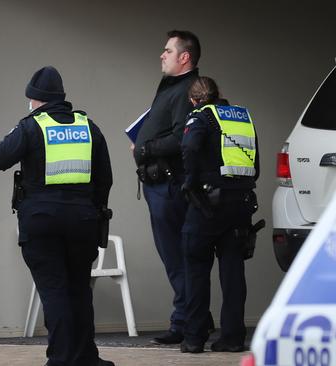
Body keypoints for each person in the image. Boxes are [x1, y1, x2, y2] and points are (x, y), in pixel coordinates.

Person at [0, 66, 114, 366]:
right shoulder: (88, 127)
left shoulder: (32, 126)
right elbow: (105, 179)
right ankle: (86, 357)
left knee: (55, 291)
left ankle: (60, 360)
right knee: (79, 290)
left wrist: (19, 129)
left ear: (36, 99)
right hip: (83, 222)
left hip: (42, 222)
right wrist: (92, 211)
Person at [133, 30, 212, 344]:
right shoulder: (173, 87)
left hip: (169, 185)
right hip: (160, 183)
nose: (161, 55)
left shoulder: (185, 89)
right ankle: (193, 319)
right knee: (176, 257)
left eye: (167, 51)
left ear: (185, 57)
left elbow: (182, 136)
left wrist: (146, 148)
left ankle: (187, 323)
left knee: (177, 257)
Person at [179, 77, 260, 353]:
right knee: (233, 272)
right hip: (241, 203)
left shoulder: (200, 116)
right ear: (219, 94)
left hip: (207, 204)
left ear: (194, 100)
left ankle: (194, 338)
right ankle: (233, 338)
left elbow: (189, 148)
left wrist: (189, 182)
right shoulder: (242, 117)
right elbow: (254, 162)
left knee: (196, 269)